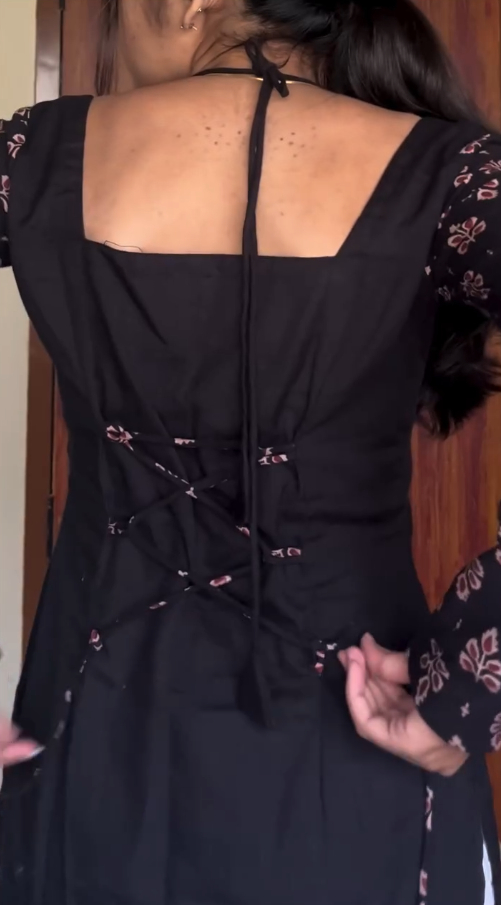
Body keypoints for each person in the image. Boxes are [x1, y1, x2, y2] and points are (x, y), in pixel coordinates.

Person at [0, 0, 501, 902]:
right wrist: (466, 681)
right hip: (366, 754)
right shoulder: (452, 175)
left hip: (85, 746)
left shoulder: (29, 161)